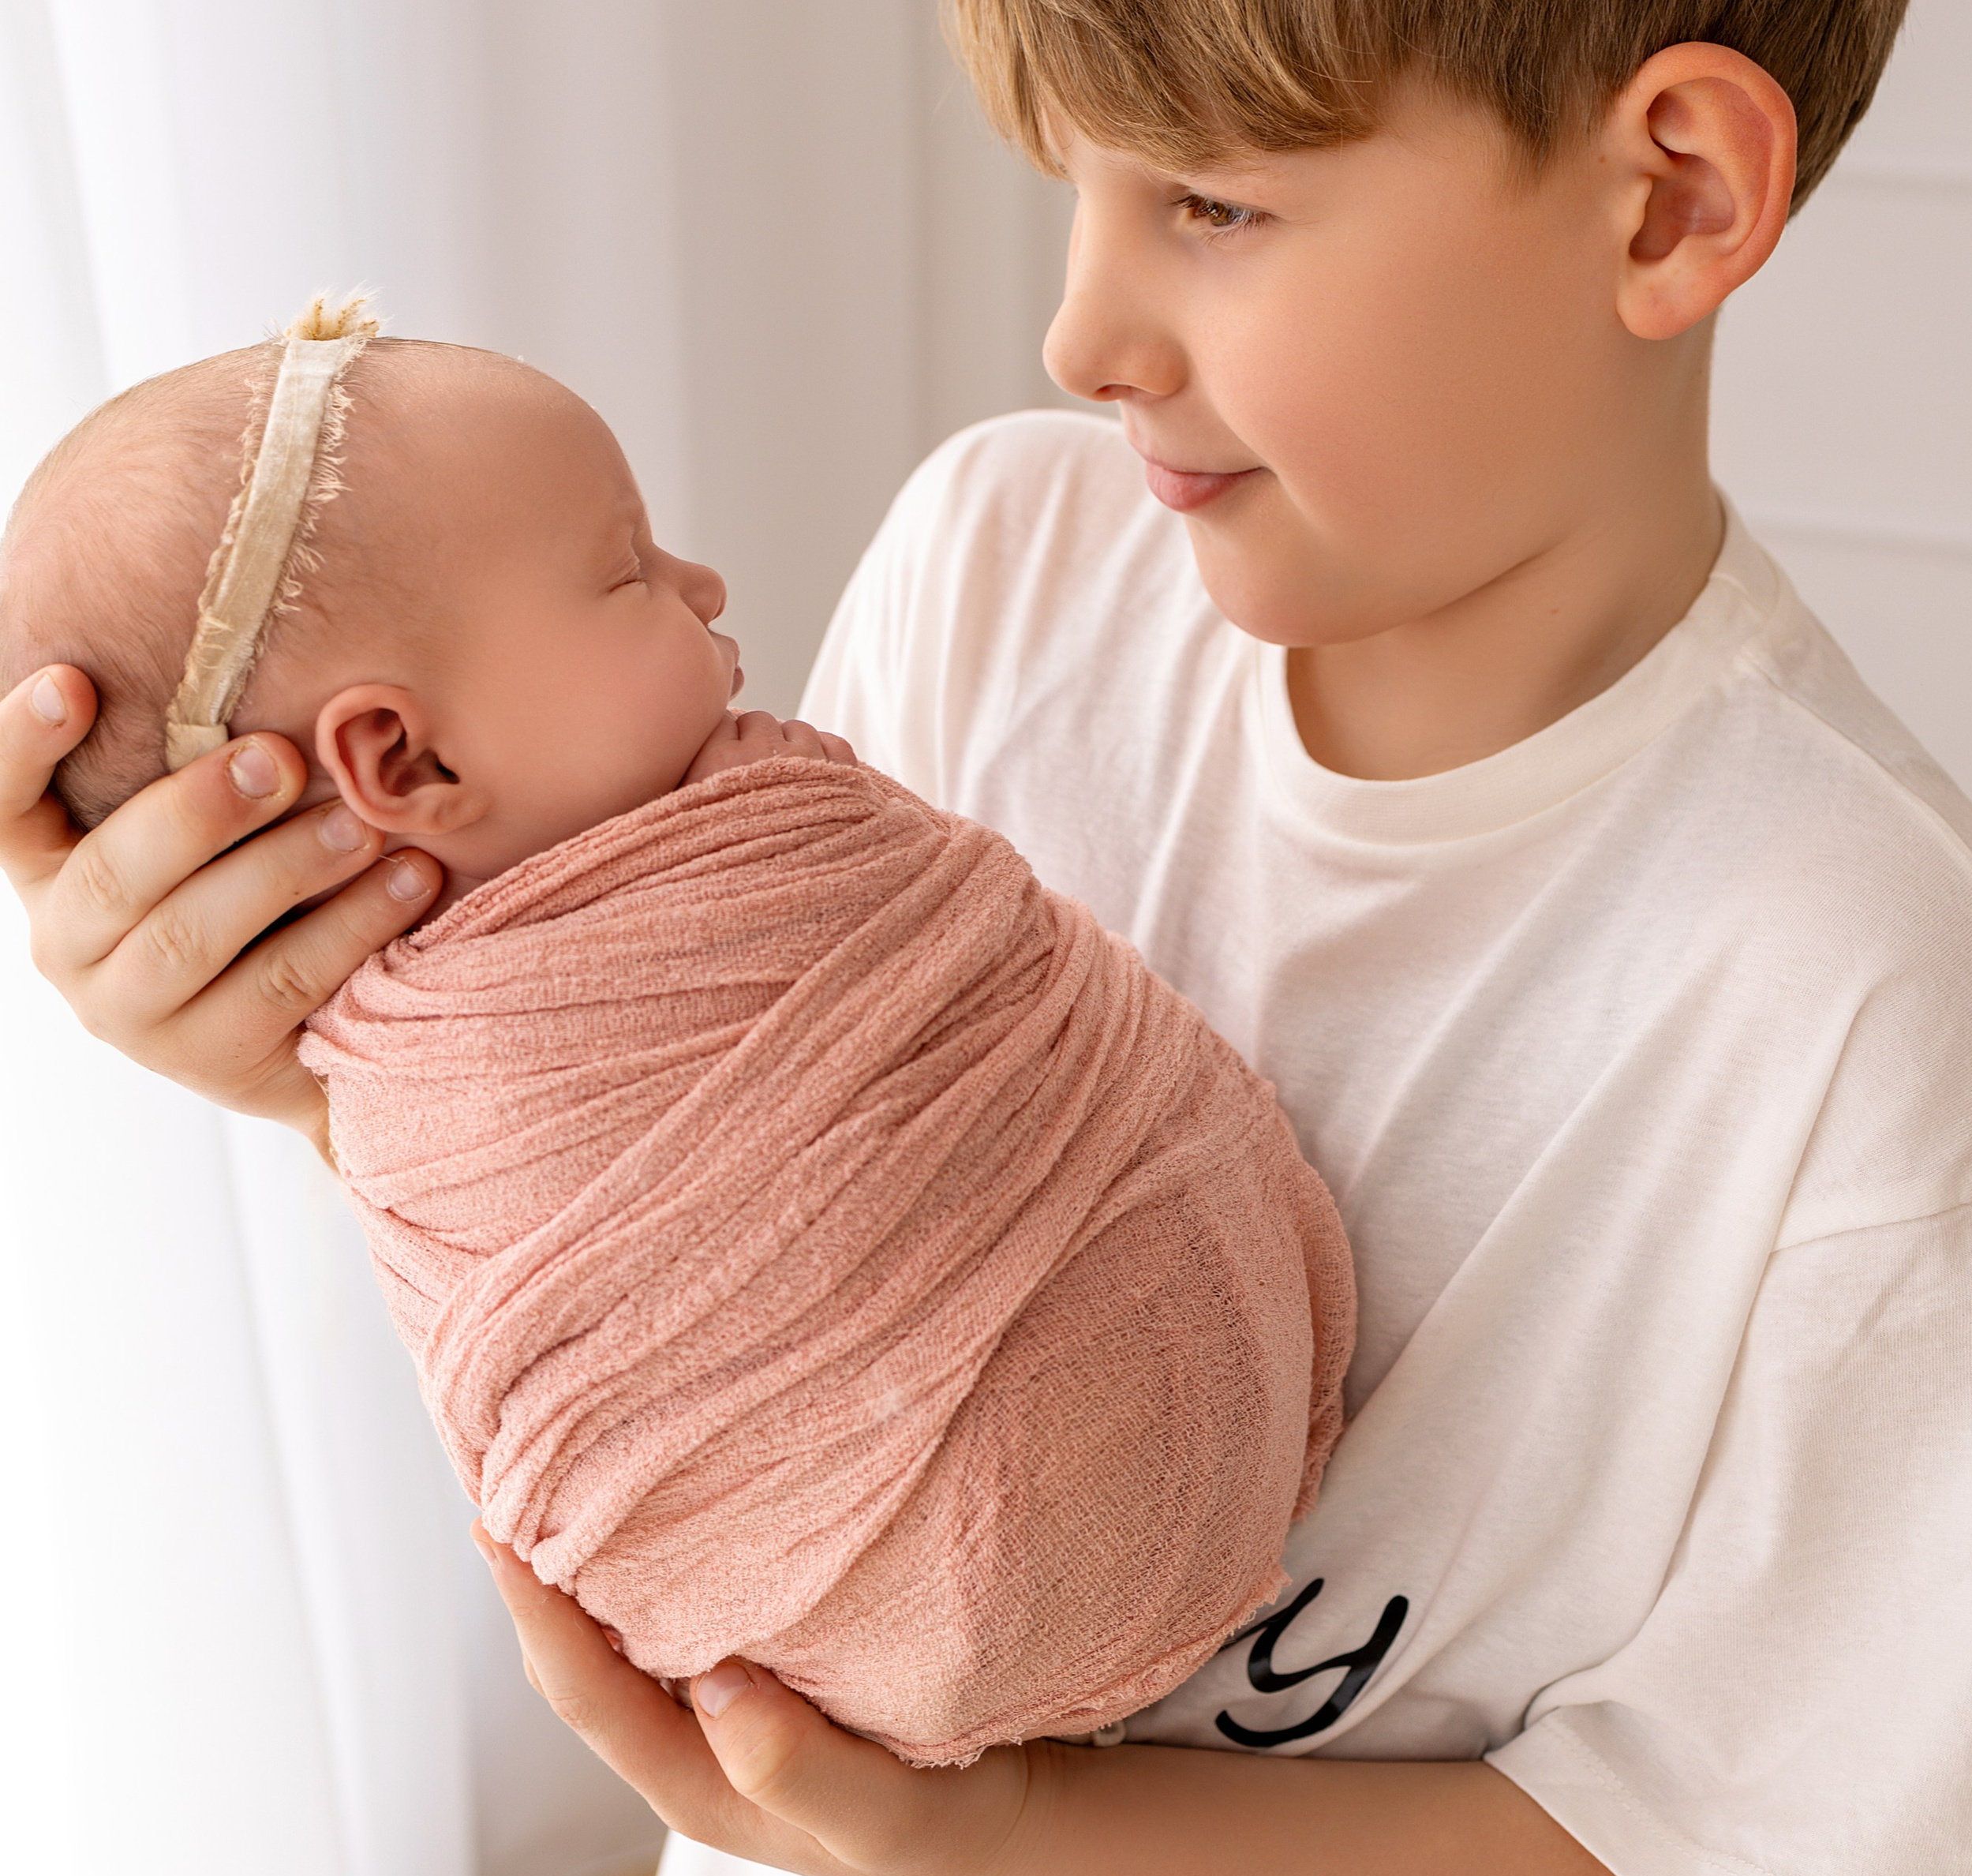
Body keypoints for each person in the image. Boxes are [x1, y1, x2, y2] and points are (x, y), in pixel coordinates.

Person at [4, 0, 1972, 1876]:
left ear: (1672, 196)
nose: (1083, 329)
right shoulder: (1002, 564)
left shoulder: (1838, 982)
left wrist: (976, 1837)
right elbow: (756, 1235)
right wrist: (320, 1053)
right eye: (1072, 196)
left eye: (1210, 205)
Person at [0, 316, 1349, 1765]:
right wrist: (321, 1107)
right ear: (407, 760)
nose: (704, 585)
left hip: (1004, 1610)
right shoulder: (423, 1086)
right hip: (911, 1623)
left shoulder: (775, 834)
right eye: (627, 569)